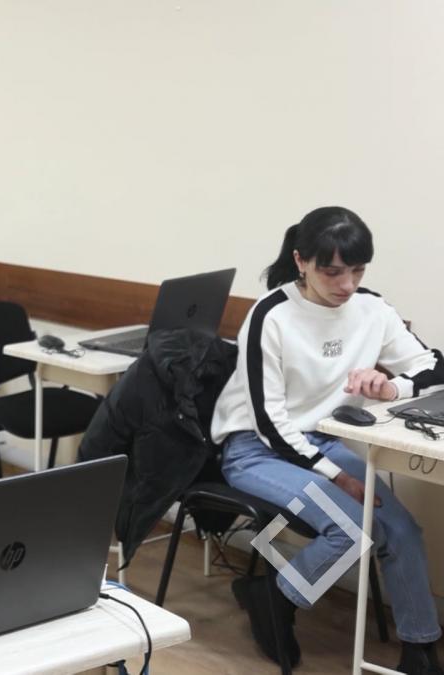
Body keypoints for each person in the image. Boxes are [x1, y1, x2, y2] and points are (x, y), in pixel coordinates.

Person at [211, 207, 444, 674]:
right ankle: (275, 598)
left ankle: (420, 650)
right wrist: (336, 475)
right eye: (332, 272)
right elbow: (268, 422)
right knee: (353, 528)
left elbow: (433, 365)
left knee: (401, 531)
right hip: (256, 449)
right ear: (301, 261)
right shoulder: (270, 316)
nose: (347, 284)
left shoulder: (372, 308)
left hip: (321, 443)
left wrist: (391, 387)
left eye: (358, 270)